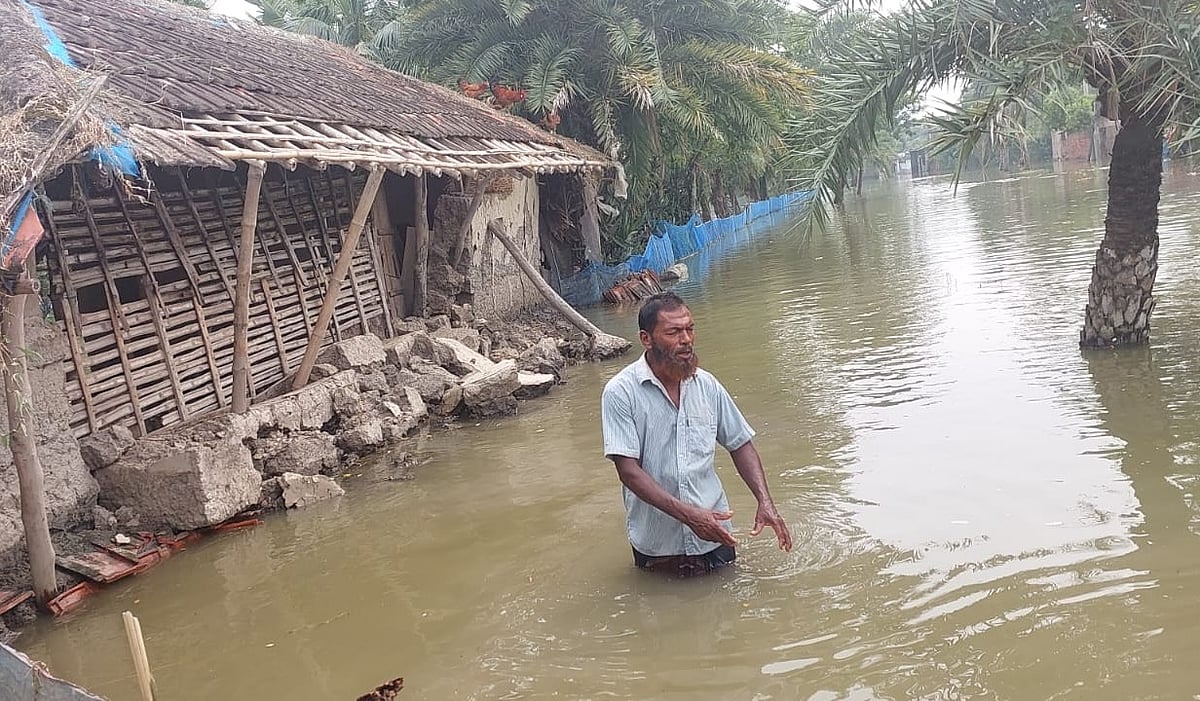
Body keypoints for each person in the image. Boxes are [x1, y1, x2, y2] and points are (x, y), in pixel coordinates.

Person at [600, 292, 792, 577]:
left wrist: (765, 501)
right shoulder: (621, 392)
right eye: (674, 332)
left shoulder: (707, 386)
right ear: (646, 339)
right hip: (658, 547)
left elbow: (740, 444)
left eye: (690, 329)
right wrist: (690, 517)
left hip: (715, 536)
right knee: (662, 616)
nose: (686, 339)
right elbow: (628, 472)